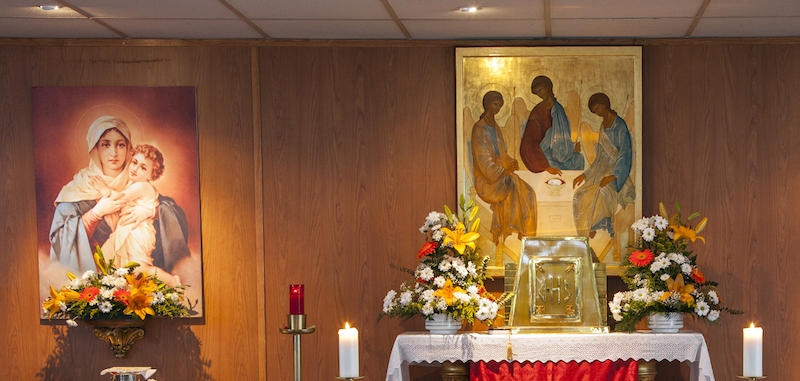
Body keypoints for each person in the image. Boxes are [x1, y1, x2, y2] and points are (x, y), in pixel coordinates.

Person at [49, 115, 190, 276]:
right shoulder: (78, 189)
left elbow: (175, 215)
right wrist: (95, 214)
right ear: (95, 149)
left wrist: (153, 212)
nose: (113, 153)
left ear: (129, 149)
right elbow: (60, 241)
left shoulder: (137, 183)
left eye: (120, 145)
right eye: (106, 144)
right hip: (95, 278)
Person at [90, 144, 181, 286]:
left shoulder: (142, 186)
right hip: (127, 231)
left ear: (152, 175)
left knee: (140, 269)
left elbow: (119, 199)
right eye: (134, 162)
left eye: (143, 168)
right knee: (108, 261)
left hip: (139, 232)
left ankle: (172, 281)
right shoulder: (133, 184)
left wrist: (103, 188)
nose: (135, 169)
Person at [471, 91, 537, 260]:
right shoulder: (479, 129)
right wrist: (502, 170)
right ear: (487, 105)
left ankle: (529, 236)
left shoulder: (495, 127)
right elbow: (483, 161)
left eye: (499, 105)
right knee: (512, 183)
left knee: (529, 192)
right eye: (495, 104)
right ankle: (515, 228)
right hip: (487, 181)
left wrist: (511, 162)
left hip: (499, 175)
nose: (497, 109)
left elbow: (502, 155)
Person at [572, 93, 635, 238]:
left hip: (617, 171)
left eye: (598, 108)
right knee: (579, 196)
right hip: (600, 170)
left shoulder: (619, 125)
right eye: (594, 111)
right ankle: (584, 232)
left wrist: (613, 176)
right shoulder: (602, 126)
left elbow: (625, 152)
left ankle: (598, 223)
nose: (597, 112)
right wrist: (585, 174)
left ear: (605, 104)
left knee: (601, 192)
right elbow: (600, 155)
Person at [519, 76, 584, 175]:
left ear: (548, 87)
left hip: (561, 152)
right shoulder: (538, 111)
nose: (540, 95)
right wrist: (545, 166)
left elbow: (563, 137)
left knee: (578, 159)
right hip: (546, 154)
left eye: (540, 90)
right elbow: (529, 140)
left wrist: (571, 147)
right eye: (537, 93)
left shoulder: (558, 108)